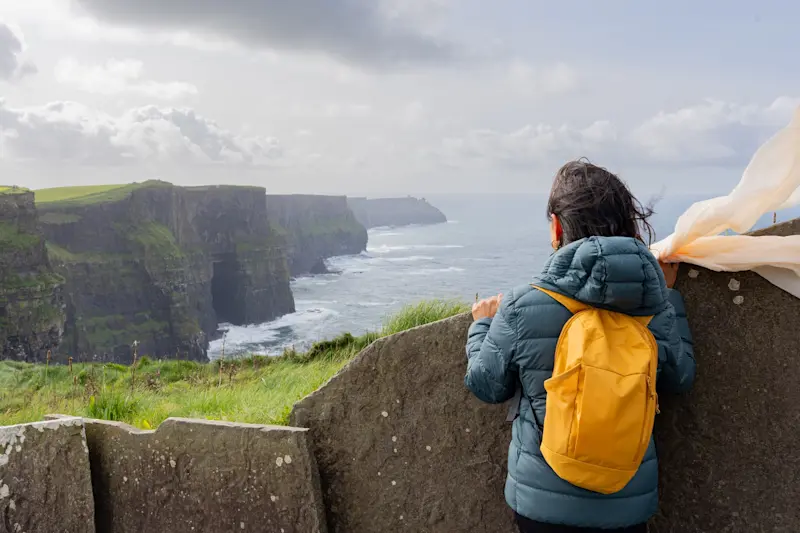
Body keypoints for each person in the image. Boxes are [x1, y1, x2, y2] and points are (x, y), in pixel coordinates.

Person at [465, 160, 696, 533]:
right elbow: (680, 376)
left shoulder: (523, 305)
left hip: (542, 503)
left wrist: (482, 327)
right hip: (627, 504)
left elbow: (486, 384)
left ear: (557, 225)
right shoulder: (652, 303)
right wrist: (669, 298)